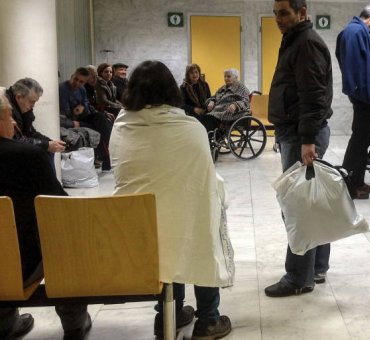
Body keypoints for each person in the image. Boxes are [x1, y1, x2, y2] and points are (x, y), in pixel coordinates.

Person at [110, 60, 234, 339]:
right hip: (181, 223)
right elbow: (203, 181)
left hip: (134, 226)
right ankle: (208, 321)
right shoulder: (191, 129)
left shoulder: (120, 126)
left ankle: (169, 313)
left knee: (164, 226)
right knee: (201, 223)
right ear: (171, 90)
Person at [0, 88, 92, 340]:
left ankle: (5, 322)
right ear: (3, 118)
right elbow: (60, 207)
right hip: (22, 264)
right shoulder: (26, 156)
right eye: (10, 118)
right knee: (63, 236)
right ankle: (74, 323)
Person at [264, 0, 333, 297]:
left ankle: (297, 278)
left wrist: (306, 140)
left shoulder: (306, 43)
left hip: (302, 134)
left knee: (297, 208)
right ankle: (315, 267)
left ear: (302, 13)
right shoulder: (295, 40)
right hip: (295, 132)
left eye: (284, 13)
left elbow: (314, 96)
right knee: (309, 203)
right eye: (276, 13)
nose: (278, 19)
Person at [336, 3, 370, 199]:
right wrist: (359, 92)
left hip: (364, 94)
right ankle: (349, 184)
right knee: (358, 139)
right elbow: (354, 66)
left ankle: (359, 181)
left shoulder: (357, 31)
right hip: (363, 96)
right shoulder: (355, 32)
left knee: (362, 139)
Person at [59, 67, 112, 171]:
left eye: (81, 82)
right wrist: (75, 113)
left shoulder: (82, 89)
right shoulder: (62, 89)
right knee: (96, 128)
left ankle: (112, 148)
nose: (77, 83)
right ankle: (107, 157)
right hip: (70, 119)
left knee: (100, 118)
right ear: (72, 76)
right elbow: (65, 112)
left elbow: (86, 108)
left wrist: (82, 109)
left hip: (81, 117)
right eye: (76, 79)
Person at [6, 78, 66, 154]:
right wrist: (46, 145)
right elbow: (14, 140)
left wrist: (50, 142)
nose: (33, 106)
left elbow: (30, 131)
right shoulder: (5, 108)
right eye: (31, 102)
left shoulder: (23, 108)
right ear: (18, 97)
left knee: (48, 151)